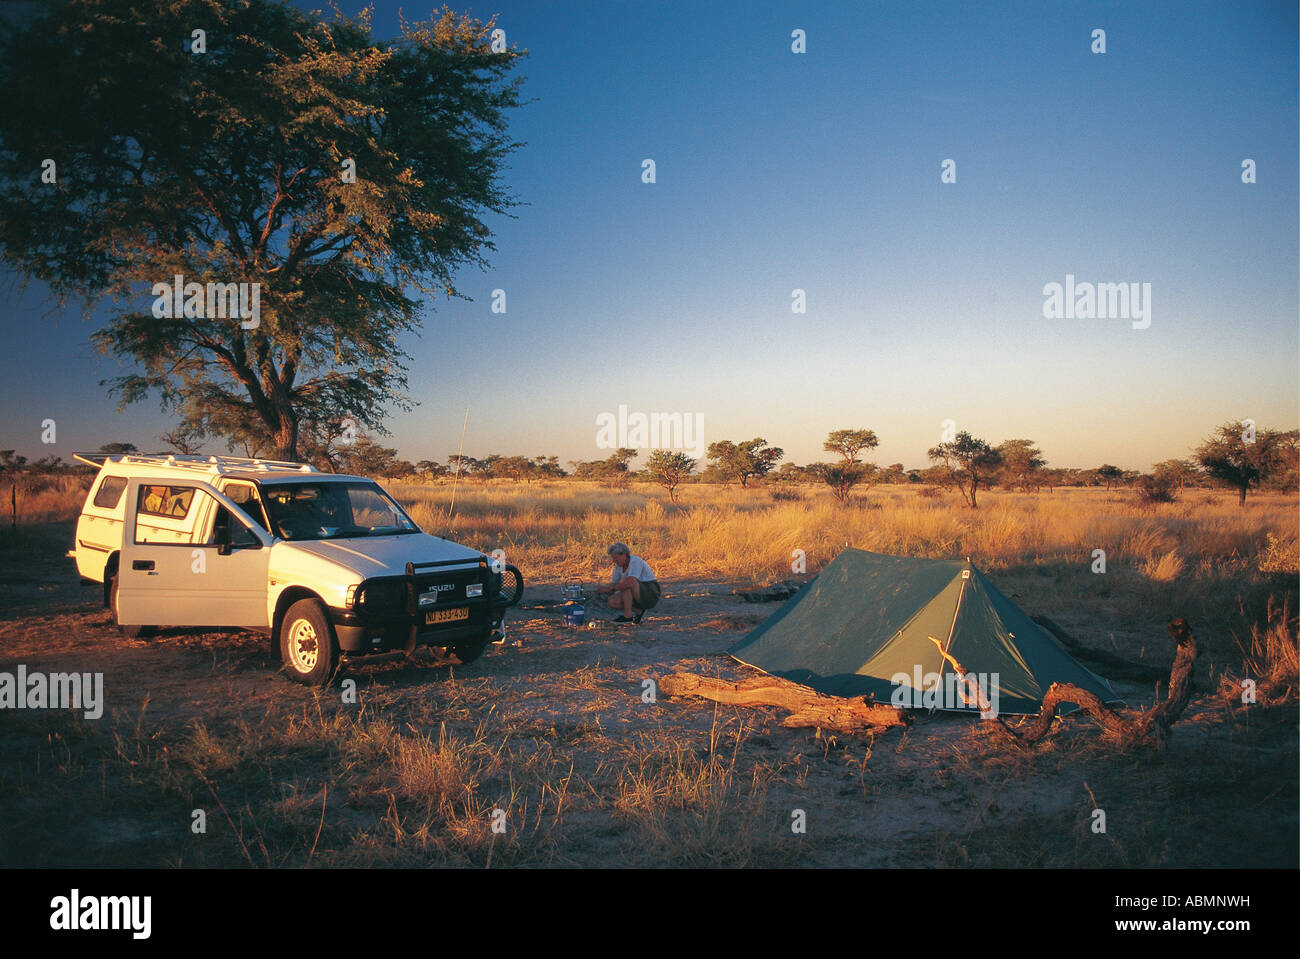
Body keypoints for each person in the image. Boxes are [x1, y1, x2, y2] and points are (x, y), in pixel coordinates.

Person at [596, 542, 662, 624]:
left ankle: (628, 616)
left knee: (625, 582)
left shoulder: (635, 561)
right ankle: (639, 612)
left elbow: (630, 581)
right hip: (636, 592)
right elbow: (614, 584)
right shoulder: (618, 567)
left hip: (650, 592)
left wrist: (612, 588)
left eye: (616, 558)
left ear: (624, 555)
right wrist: (604, 589)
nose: (614, 561)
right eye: (613, 558)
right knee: (612, 601)